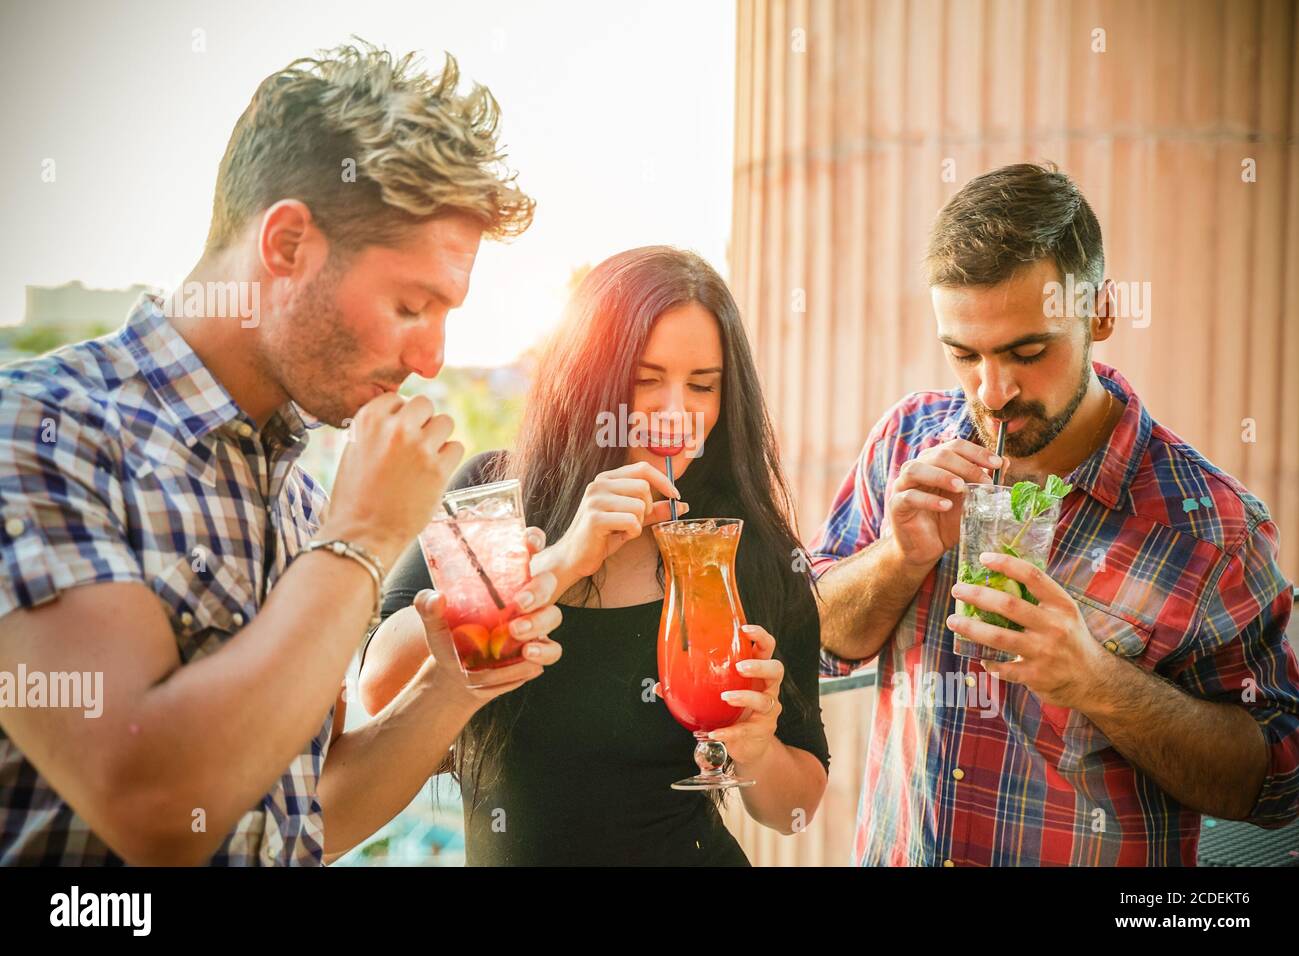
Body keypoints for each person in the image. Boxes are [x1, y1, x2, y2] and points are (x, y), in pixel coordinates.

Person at [0, 41, 565, 866]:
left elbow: (304, 814)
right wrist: (364, 540)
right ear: (289, 243)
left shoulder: (298, 493)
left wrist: (453, 686)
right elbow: (151, 806)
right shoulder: (44, 432)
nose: (432, 359)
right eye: (412, 304)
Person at [811, 162, 1299, 866]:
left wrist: (1095, 680)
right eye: (963, 355)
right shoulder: (906, 441)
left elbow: (1277, 780)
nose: (995, 391)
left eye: (1029, 351)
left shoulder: (1213, 525)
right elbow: (822, 639)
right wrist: (897, 557)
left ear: (1099, 312)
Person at [359, 247, 829, 865]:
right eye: (645, 379)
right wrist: (562, 560)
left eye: (702, 385)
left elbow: (795, 808)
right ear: (590, 378)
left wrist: (759, 748)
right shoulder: (500, 500)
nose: (675, 411)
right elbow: (381, 685)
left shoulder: (742, 549)